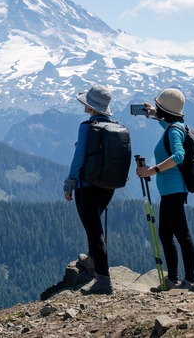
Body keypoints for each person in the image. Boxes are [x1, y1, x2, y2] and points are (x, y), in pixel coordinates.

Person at [136, 88, 194, 290]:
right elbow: (170, 125)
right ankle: (173, 279)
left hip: (174, 191)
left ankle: (188, 280)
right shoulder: (174, 126)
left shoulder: (173, 130)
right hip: (169, 192)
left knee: (181, 235)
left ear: (165, 110)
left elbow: (178, 155)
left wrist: (153, 170)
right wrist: (155, 115)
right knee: (166, 235)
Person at [63, 85, 116, 295]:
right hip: (107, 187)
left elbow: (78, 158)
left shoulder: (86, 127)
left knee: (94, 232)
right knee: (95, 227)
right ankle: (93, 260)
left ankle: (103, 279)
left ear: (90, 106)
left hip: (87, 187)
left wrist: (70, 183)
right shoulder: (112, 128)